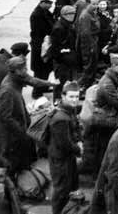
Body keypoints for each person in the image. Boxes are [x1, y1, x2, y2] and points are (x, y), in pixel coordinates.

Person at [0, 57, 35, 179]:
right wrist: (20, 130)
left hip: (16, 133)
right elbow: (5, 116)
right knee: (10, 165)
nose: (26, 70)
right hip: (11, 137)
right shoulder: (7, 90)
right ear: (16, 71)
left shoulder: (15, 83)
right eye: (24, 68)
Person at [48, 81, 82, 214]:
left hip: (66, 156)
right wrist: (79, 149)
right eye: (71, 97)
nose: (75, 100)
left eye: (77, 96)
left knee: (67, 188)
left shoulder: (69, 110)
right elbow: (64, 143)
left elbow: (75, 128)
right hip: (60, 159)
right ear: (63, 96)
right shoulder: (60, 118)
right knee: (61, 190)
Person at [92, 53, 118, 178]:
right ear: (114, 66)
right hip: (106, 121)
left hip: (110, 117)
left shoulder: (116, 78)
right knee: (104, 149)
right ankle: (100, 175)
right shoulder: (107, 83)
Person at [50, 5, 78, 101]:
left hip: (67, 62)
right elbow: (55, 49)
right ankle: (57, 102)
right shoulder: (59, 28)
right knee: (60, 84)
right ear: (63, 15)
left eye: (73, 13)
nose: (72, 16)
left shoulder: (68, 24)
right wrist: (65, 58)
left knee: (66, 84)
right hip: (61, 63)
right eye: (70, 14)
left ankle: (65, 101)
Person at [29, 0, 55, 86]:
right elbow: (41, 30)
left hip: (44, 43)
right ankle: (37, 91)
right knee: (40, 70)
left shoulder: (45, 12)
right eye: (49, 3)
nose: (51, 5)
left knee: (45, 68)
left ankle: (43, 86)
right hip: (40, 45)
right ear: (43, 2)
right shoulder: (37, 15)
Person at [77, 0, 100, 90]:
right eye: (93, 4)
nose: (96, 6)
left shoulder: (91, 13)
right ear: (87, 4)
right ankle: (82, 87)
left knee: (92, 67)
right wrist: (91, 47)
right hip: (89, 45)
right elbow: (85, 34)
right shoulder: (86, 15)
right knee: (88, 68)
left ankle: (87, 86)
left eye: (97, 4)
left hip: (93, 43)